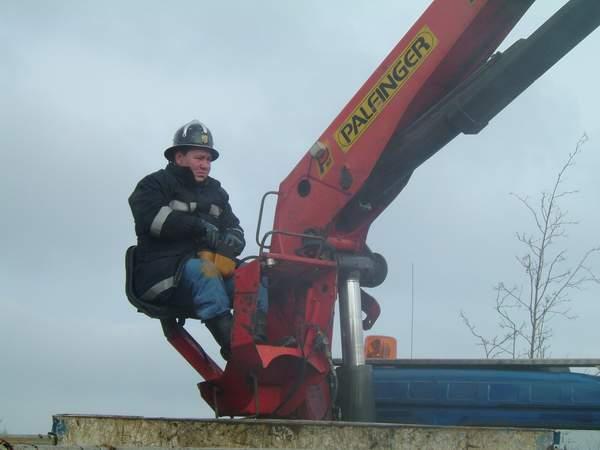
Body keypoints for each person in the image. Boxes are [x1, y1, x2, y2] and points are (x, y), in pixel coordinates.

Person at [128, 119, 250, 360]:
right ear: (179, 157)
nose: (205, 165)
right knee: (205, 272)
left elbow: (234, 226)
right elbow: (151, 219)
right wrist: (197, 227)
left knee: (252, 277)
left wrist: (232, 239)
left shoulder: (217, 193)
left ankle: (262, 342)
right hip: (162, 274)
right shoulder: (153, 185)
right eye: (199, 158)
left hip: (205, 269)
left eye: (208, 160)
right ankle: (237, 352)